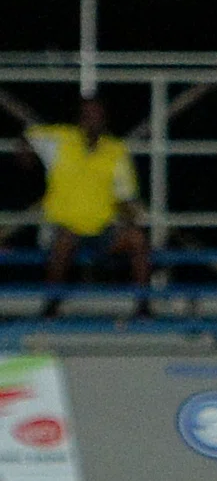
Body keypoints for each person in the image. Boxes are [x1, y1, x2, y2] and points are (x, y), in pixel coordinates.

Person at [25, 97, 153, 318]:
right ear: (79, 119)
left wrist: (132, 217)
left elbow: (124, 195)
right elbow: (28, 136)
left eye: (97, 116)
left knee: (137, 239)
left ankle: (143, 307)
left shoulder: (115, 150)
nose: (92, 120)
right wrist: (26, 156)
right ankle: (51, 305)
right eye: (87, 115)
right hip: (66, 226)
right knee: (63, 241)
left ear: (105, 120)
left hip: (103, 228)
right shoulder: (60, 139)